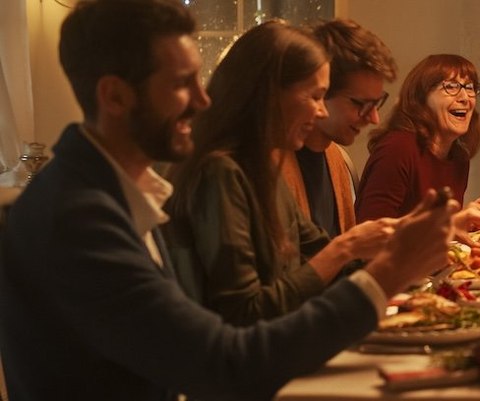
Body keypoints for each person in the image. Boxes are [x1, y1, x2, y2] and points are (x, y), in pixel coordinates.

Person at [0, 1, 454, 399]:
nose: (203, 100)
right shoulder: (79, 216)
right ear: (115, 96)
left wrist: (399, 258)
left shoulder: (115, 193)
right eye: (183, 83)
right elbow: (226, 362)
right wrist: (386, 274)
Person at [163, 21, 399, 325]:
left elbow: (335, 267)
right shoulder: (219, 171)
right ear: (268, 94)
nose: (322, 111)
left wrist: (414, 251)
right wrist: (346, 247)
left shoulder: (262, 166)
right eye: (315, 96)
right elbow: (244, 313)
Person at [280, 18, 397, 237]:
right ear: (321, 91)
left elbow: (343, 264)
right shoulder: (272, 165)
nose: (374, 118)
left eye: (377, 103)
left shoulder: (336, 159)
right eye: (361, 104)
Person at [356, 54, 480, 222]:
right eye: (451, 87)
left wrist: (464, 221)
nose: (465, 98)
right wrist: (452, 223)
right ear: (421, 98)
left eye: (470, 87)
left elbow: (439, 231)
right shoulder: (398, 148)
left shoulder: (458, 157)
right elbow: (372, 233)